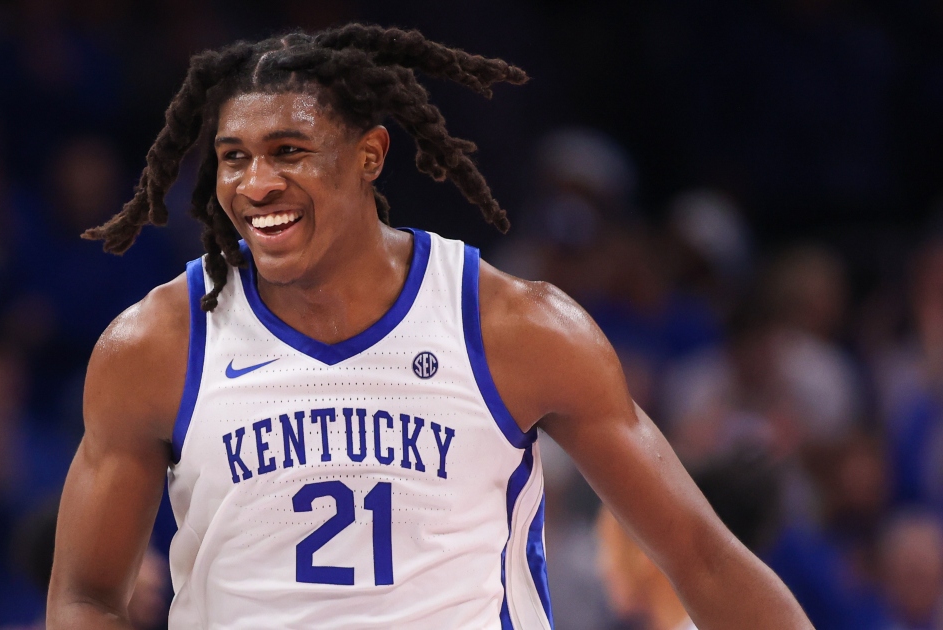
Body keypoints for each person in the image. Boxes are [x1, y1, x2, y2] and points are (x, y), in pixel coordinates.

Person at [47, 24, 811, 629]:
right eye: (233, 158)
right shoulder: (156, 345)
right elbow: (84, 599)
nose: (256, 184)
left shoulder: (515, 327)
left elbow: (699, 556)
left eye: (289, 152)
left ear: (370, 153)